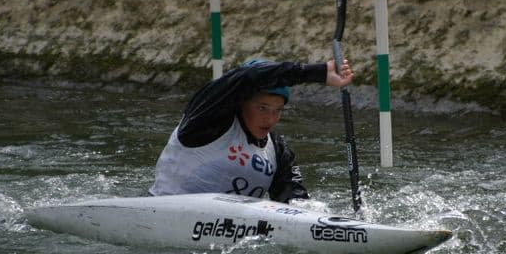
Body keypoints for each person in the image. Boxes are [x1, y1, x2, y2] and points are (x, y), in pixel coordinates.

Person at [149, 58, 354, 202]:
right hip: (162, 216)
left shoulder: (278, 151)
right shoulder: (206, 120)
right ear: (241, 102)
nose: (270, 119)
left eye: (278, 111)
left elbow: (294, 201)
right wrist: (313, 73)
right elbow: (247, 78)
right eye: (262, 108)